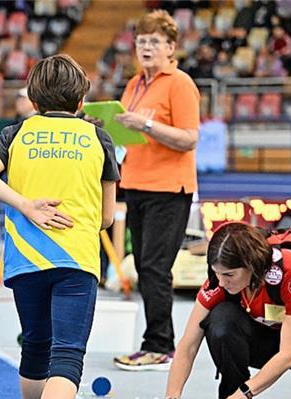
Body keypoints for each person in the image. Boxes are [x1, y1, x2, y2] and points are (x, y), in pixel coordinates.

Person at [0, 54, 119, 399]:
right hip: (74, 259)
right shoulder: (98, 137)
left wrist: (25, 204)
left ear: (32, 97)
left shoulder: (18, 133)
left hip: (26, 260)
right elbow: (107, 217)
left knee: (35, 346)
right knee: (67, 354)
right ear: (82, 97)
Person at [144, 222, 291, 399]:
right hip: (261, 337)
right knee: (220, 319)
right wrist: (171, 397)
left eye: (229, 275)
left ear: (252, 266)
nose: (222, 282)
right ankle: (235, 397)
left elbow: (290, 353)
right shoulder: (219, 280)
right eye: (217, 273)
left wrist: (241, 394)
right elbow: (188, 345)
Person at [111, 10, 200, 370]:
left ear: (171, 47)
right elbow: (129, 135)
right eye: (141, 41)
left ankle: (160, 345)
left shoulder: (179, 83)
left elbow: (189, 139)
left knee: (154, 268)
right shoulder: (134, 85)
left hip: (168, 188)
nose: (146, 47)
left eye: (154, 42)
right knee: (143, 267)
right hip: (135, 184)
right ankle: (154, 341)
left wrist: (145, 123)